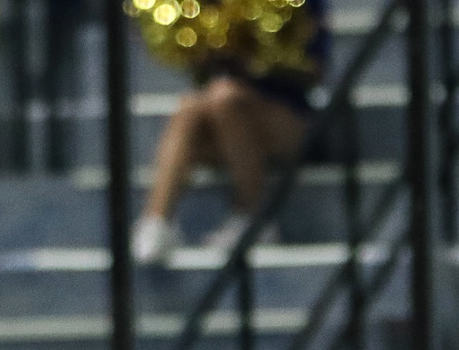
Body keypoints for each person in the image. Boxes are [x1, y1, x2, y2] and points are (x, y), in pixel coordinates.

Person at [129, 0, 326, 266]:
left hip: (288, 117)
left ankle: (252, 217)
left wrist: (253, 60)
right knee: (189, 107)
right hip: (221, 121)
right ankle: (157, 221)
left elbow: (316, 70)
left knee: (226, 98)